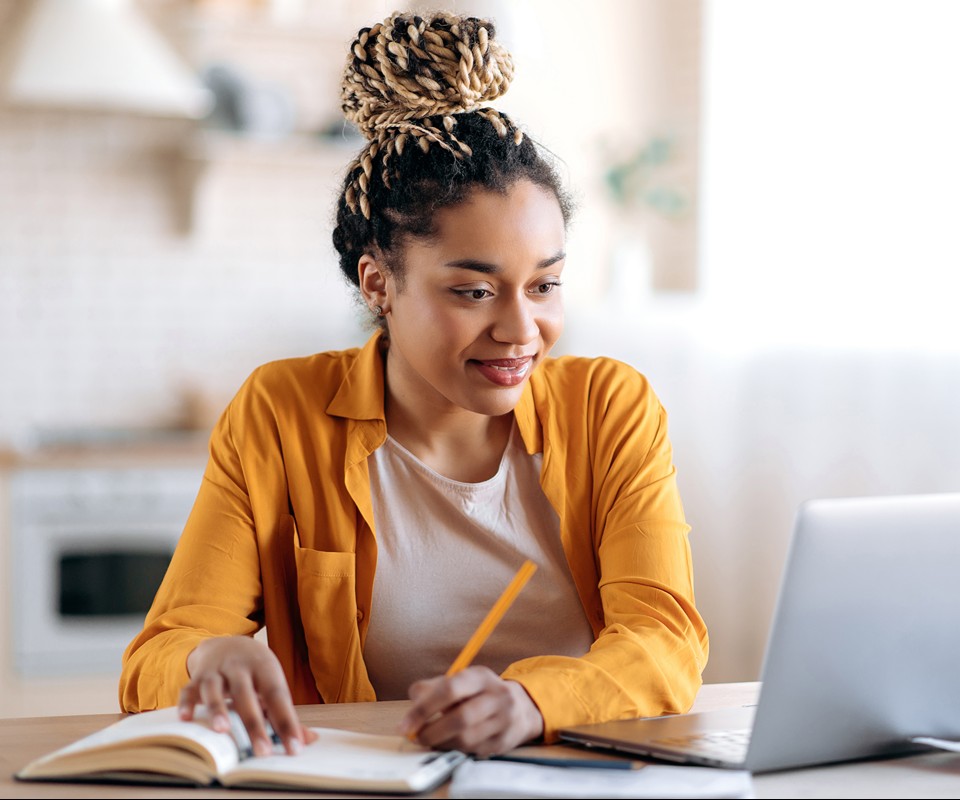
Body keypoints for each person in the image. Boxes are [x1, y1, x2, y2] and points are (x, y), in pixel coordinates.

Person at [119, 10, 709, 759]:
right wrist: (206, 658)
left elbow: (667, 640)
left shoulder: (610, 408)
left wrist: (532, 703)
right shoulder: (281, 413)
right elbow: (155, 658)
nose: (520, 329)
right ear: (379, 283)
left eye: (545, 285)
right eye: (473, 292)